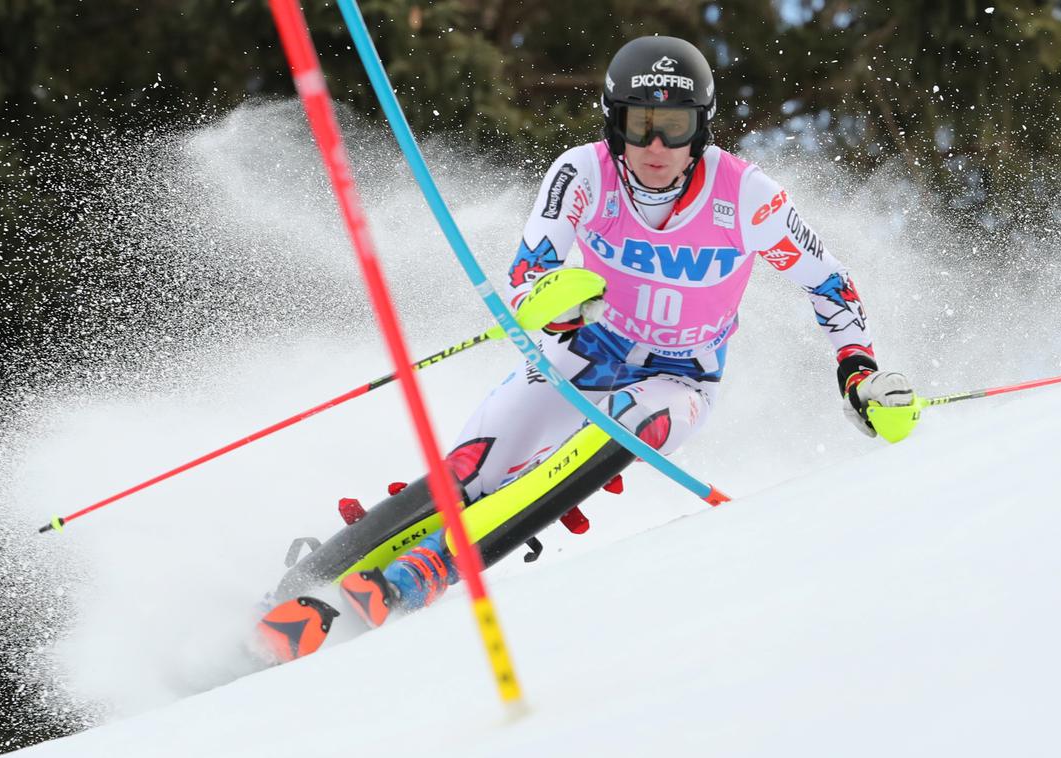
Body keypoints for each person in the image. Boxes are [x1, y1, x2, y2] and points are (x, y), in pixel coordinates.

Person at [339, 35, 915, 625]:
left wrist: (857, 370)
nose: (658, 146)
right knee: (473, 468)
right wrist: (550, 304)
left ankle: (420, 575)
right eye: (641, 125)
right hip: (583, 349)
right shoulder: (583, 172)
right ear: (616, 124)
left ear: (702, 128)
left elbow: (830, 283)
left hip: (682, 377)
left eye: (676, 125)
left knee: (625, 424)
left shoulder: (746, 195)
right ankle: (318, 577)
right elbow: (523, 276)